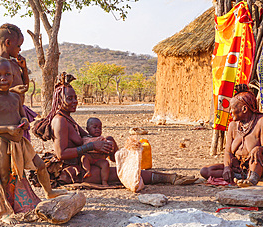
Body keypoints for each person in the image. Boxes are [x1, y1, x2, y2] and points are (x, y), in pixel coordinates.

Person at [31, 72, 197, 187]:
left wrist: (106, 142)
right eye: (70, 98)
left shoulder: (68, 118)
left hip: (86, 163)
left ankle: (161, 175)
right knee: (122, 174)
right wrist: (91, 147)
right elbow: (61, 154)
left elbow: (87, 136)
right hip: (74, 170)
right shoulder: (60, 121)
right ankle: (169, 178)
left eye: (75, 98)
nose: (75, 101)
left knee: (111, 147)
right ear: (59, 100)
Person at [0, 58, 65, 224]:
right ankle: (5, 211)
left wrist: (25, 121)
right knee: (4, 177)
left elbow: (22, 114)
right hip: (3, 143)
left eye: (7, 74)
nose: (3, 78)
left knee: (40, 165)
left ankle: (49, 192)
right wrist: (6, 129)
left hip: (20, 143)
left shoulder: (15, 97)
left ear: (13, 76)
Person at [200, 84, 263, 187]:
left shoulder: (262, 121)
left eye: (232, 108)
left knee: (256, 157)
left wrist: (260, 149)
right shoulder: (233, 126)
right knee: (206, 171)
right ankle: (239, 176)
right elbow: (228, 152)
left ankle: (251, 179)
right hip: (241, 168)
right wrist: (227, 168)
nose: (230, 112)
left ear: (244, 109)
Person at [0, 23, 37, 141]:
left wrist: (23, 68)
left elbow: (25, 87)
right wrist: (12, 90)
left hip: (20, 112)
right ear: (8, 43)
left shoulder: (14, 64)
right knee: (9, 147)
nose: (20, 49)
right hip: (7, 116)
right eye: (18, 45)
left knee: (23, 148)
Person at [81, 117, 118, 186]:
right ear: (87, 129)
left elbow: (107, 143)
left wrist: (110, 143)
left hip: (99, 159)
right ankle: (87, 170)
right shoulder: (85, 138)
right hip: (90, 158)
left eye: (100, 128)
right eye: (95, 127)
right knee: (84, 158)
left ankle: (104, 181)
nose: (98, 129)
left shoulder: (101, 138)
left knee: (105, 164)